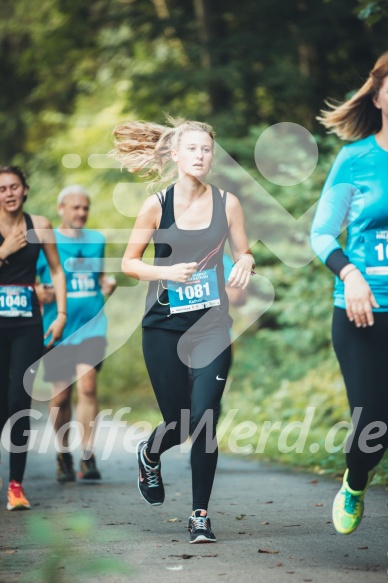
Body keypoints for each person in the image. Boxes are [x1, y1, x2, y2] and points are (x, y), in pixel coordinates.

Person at [113, 117, 254, 543]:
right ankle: (150, 452)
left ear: (213, 156)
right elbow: (129, 263)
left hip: (211, 324)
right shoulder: (157, 204)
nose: (199, 155)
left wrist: (246, 261)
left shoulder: (228, 203)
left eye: (206, 149)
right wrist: (167, 270)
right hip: (163, 327)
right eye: (191, 148)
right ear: (175, 155)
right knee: (179, 420)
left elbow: (243, 251)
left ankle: (199, 515)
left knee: (206, 418)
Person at [311, 52, 388, 535]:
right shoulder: (355, 160)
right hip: (362, 312)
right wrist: (350, 274)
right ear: (378, 97)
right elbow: (322, 233)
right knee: (372, 426)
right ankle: (356, 480)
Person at [36, 185, 116, 483]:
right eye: (75, 208)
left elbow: (98, 278)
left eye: (85, 208)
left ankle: (88, 454)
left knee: (88, 387)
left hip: (92, 325)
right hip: (57, 329)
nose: (81, 213)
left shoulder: (97, 240)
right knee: (61, 395)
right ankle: (63, 453)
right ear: (61, 209)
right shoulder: (47, 241)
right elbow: (24, 276)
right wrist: (36, 291)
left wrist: (108, 284)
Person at [0, 166, 66, 510]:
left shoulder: (39, 226)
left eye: (14, 187)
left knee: (18, 402)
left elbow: (56, 270)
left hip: (28, 324)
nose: (9, 193)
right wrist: (4, 250)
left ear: (25, 190)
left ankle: (16, 486)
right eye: (2, 189)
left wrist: (62, 316)